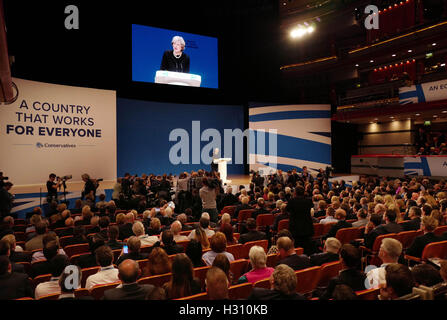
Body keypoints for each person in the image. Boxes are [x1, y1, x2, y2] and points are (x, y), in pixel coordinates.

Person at [286, 186, 314, 255]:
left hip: (296, 227)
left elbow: (287, 210)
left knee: (297, 247)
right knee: (306, 247)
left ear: (295, 192)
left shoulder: (292, 201)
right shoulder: (308, 200)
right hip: (307, 226)